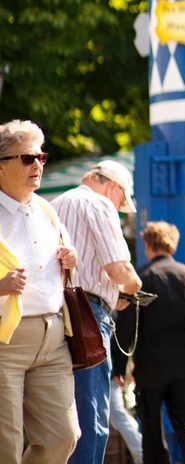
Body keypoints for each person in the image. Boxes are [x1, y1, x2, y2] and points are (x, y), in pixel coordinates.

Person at [0, 119, 81, 464]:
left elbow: (61, 266)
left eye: (41, 157)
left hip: (52, 337)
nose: (37, 165)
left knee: (63, 437)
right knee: (6, 446)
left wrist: (71, 260)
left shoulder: (47, 210)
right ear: (1, 166)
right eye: (27, 158)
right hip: (6, 340)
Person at [51, 160, 142, 464]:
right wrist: (133, 285)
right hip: (88, 316)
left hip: (53, 311)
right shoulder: (100, 204)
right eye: (121, 200)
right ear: (113, 187)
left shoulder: (53, 204)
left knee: (62, 419)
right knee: (92, 417)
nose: (119, 207)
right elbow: (118, 269)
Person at [113, 222, 185, 464]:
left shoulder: (140, 279)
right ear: (173, 244)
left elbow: (127, 327)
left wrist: (120, 366)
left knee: (151, 431)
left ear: (146, 245)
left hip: (150, 364)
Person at [108, 334, 143, 464]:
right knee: (118, 416)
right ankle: (141, 453)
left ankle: (141, 454)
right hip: (112, 370)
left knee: (118, 415)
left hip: (110, 372)